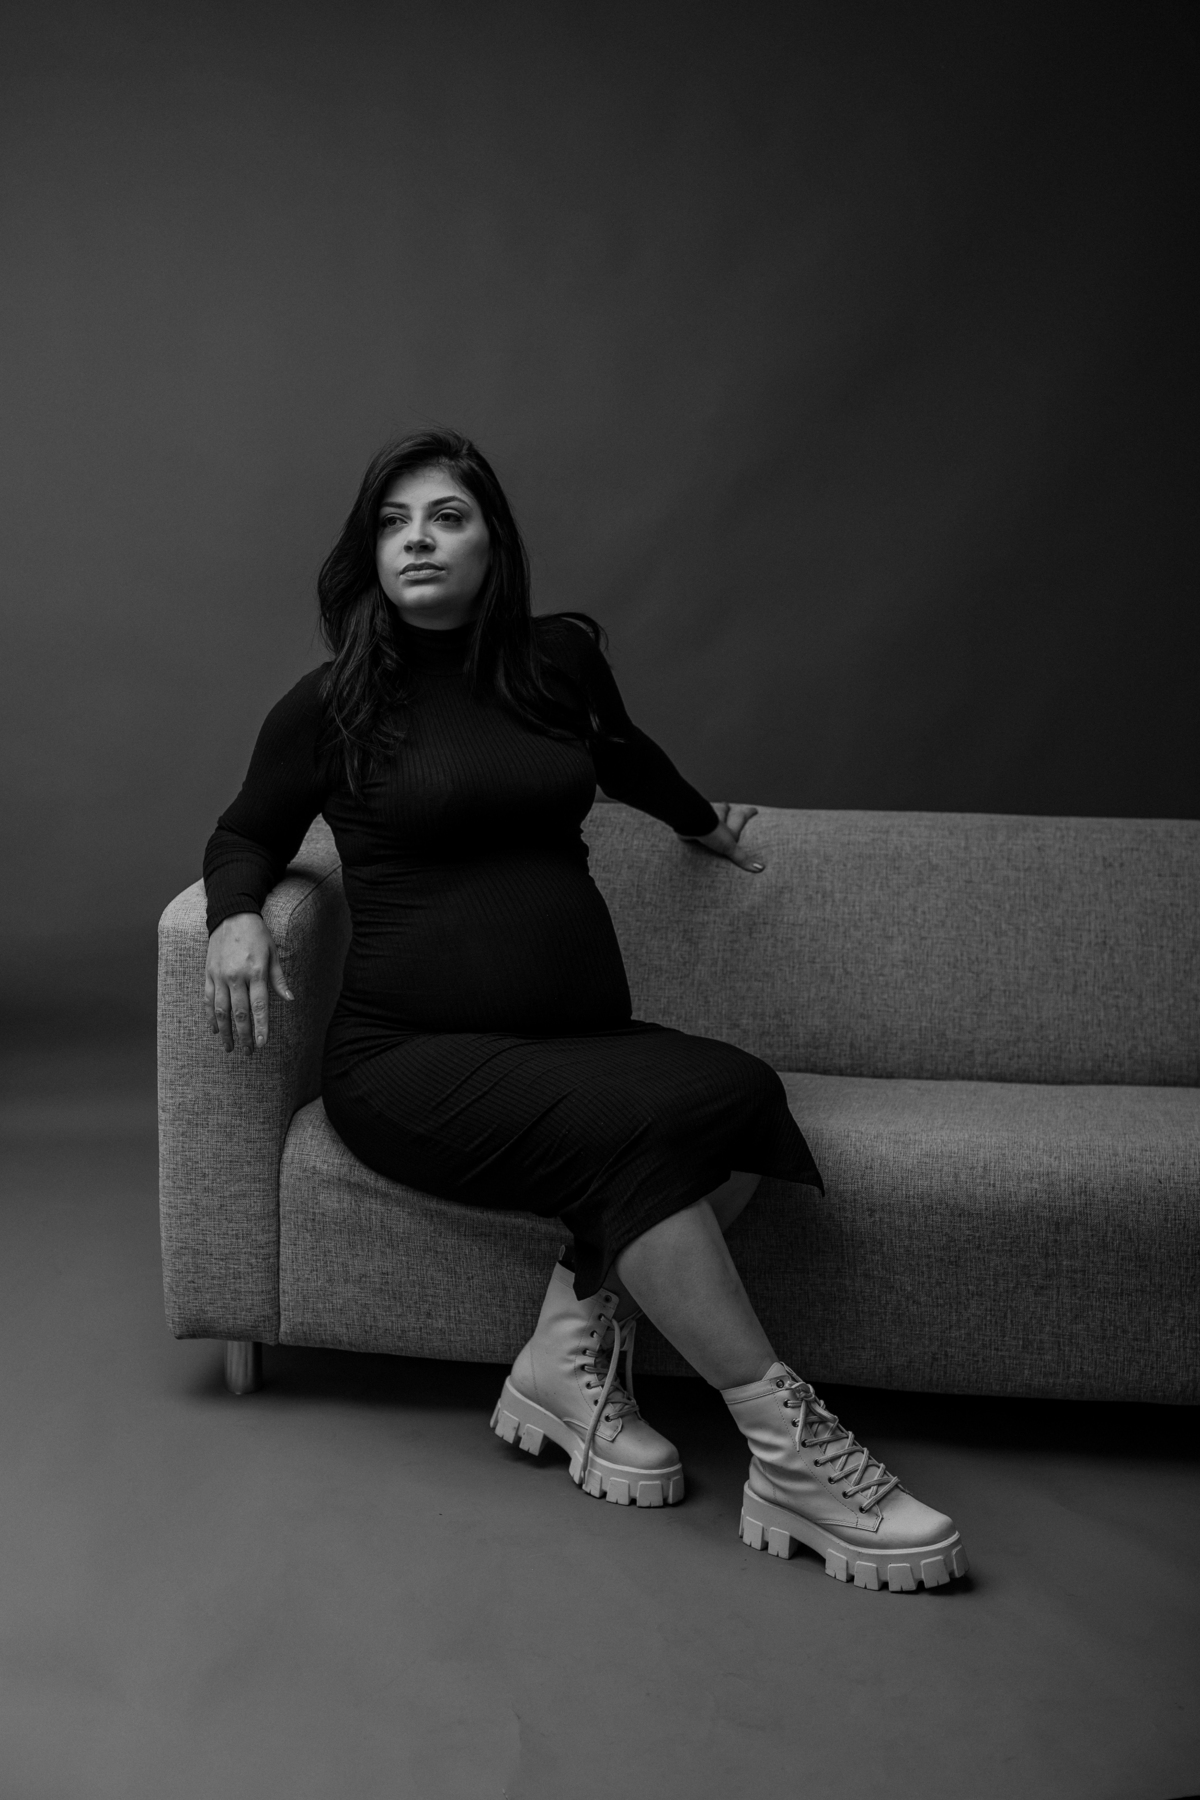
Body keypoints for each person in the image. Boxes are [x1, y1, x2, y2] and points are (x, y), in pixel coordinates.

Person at [202, 430, 966, 1592]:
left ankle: (564, 1358)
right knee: (638, 1137)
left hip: (571, 1041)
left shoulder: (553, 665)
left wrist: (700, 823)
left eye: (447, 516)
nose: (417, 540)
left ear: (492, 542)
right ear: (369, 552)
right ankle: (790, 1453)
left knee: (734, 1092)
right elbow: (244, 832)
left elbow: (623, 757)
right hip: (409, 1061)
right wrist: (236, 918)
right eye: (393, 523)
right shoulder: (332, 704)